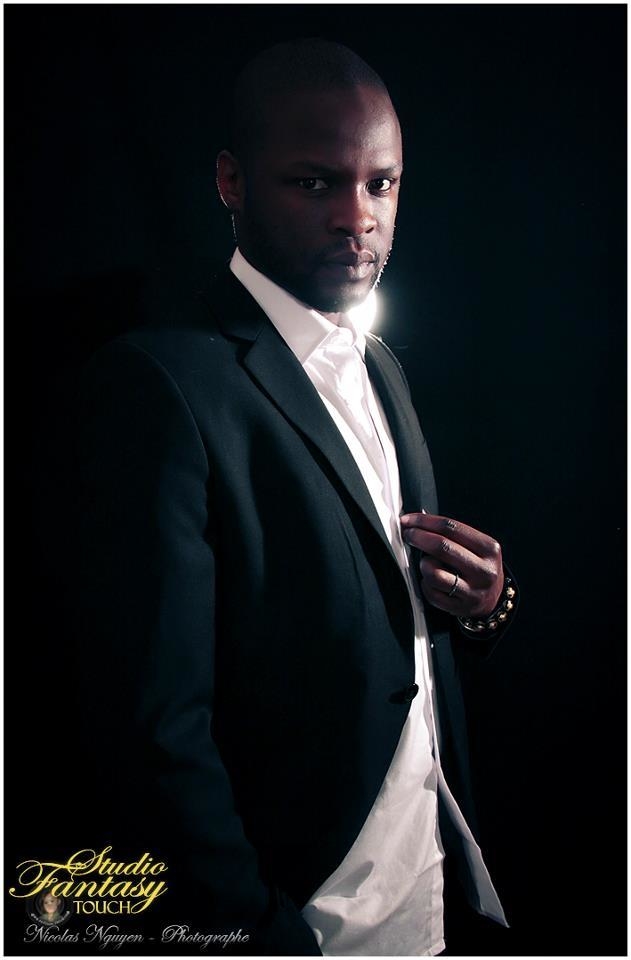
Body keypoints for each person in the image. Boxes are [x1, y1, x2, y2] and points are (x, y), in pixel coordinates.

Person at [74, 39, 518, 956]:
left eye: (380, 184)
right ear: (231, 182)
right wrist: (256, 931)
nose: (358, 218)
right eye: (314, 184)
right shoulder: (158, 385)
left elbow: (372, 634)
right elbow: (152, 733)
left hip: (431, 893)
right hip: (303, 920)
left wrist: (478, 606)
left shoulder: (379, 364)